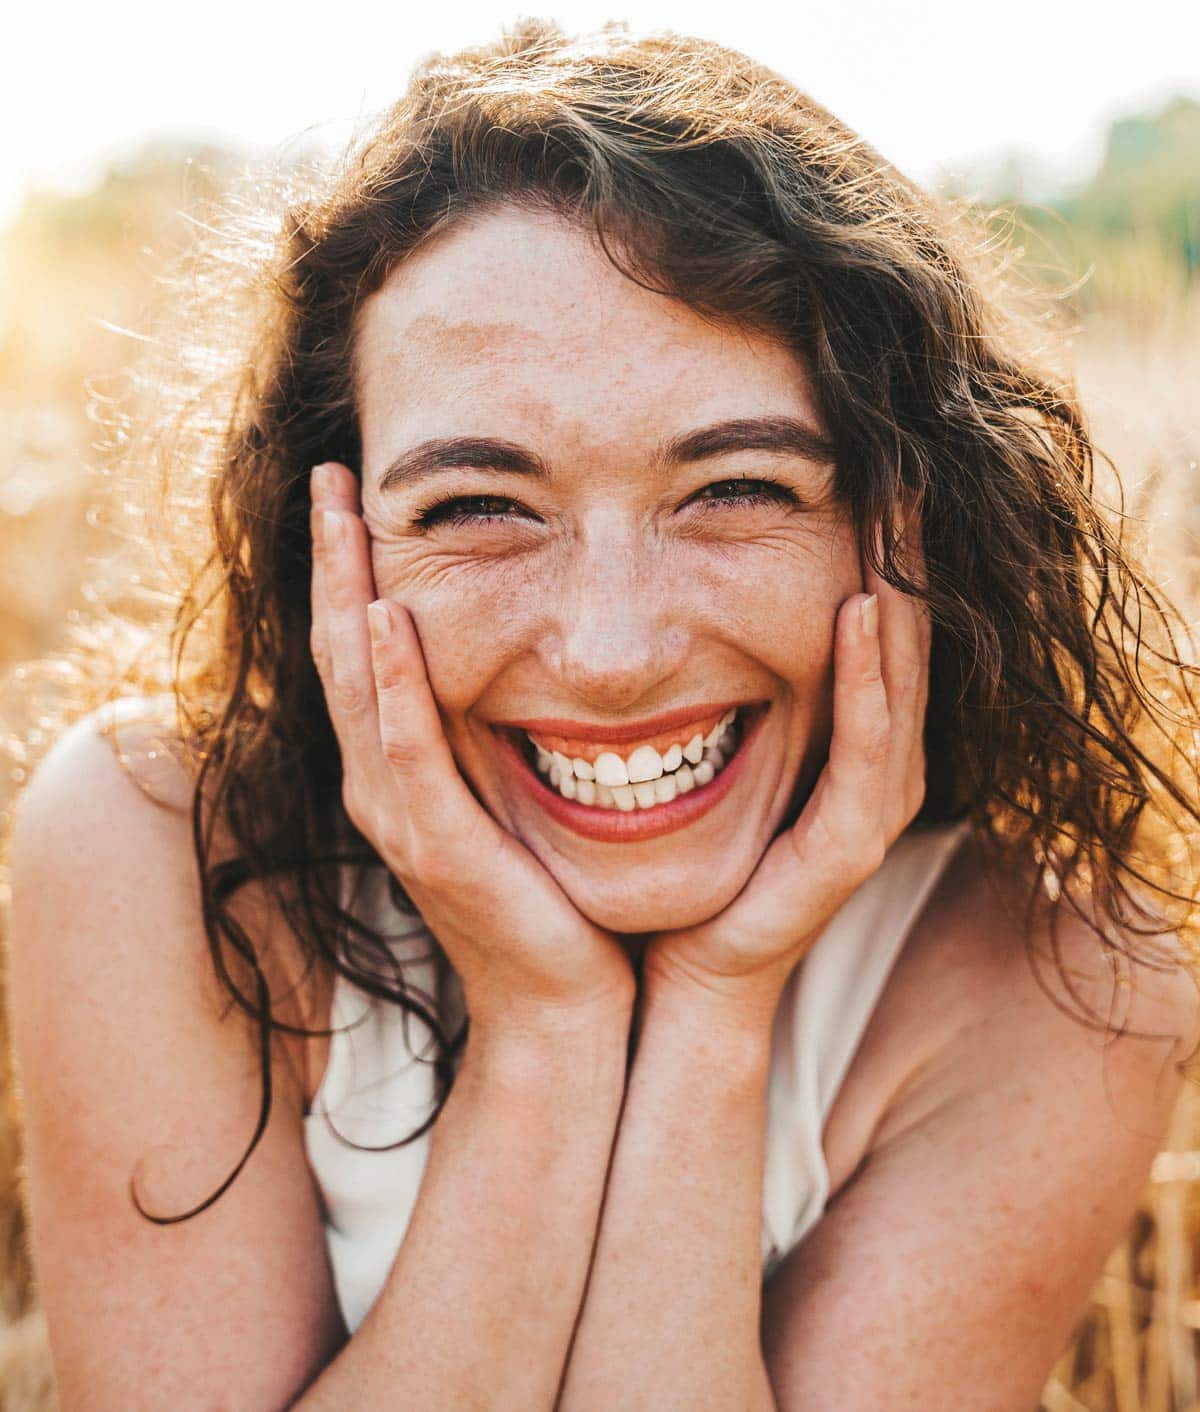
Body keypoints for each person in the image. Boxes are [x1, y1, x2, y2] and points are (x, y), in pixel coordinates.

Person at [4, 16, 1200, 1410]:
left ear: (904, 525)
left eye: (739, 489)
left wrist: (712, 1011)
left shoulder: (1065, 979)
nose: (614, 650)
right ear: (340, 547)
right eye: (477, 508)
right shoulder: (158, 847)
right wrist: (547, 1027)